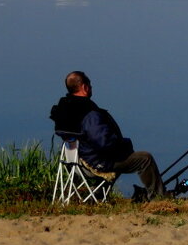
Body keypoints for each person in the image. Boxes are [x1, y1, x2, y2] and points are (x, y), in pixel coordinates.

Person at [50, 70, 169, 200]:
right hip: (96, 163)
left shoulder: (66, 108)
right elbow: (104, 143)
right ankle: (159, 197)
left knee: (123, 156)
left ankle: (98, 195)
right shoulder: (89, 113)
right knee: (145, 158)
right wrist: (124, 145)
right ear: (84, 87)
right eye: (90, 85)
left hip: (75, 161)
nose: (91, 88)